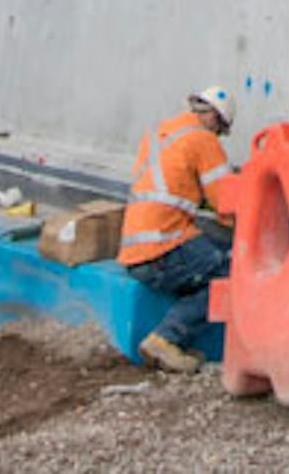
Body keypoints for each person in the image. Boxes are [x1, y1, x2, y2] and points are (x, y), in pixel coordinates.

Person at [119, 83, 238, 374]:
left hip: (135, 249)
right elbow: (228, 206)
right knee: (232, 275)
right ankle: (166, 338)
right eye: (220, 130)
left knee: (210, 255)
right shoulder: (203, 140)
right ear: (214, 118)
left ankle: (171, 336)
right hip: (163, 249)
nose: (218, 136)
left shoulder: (158, 134)